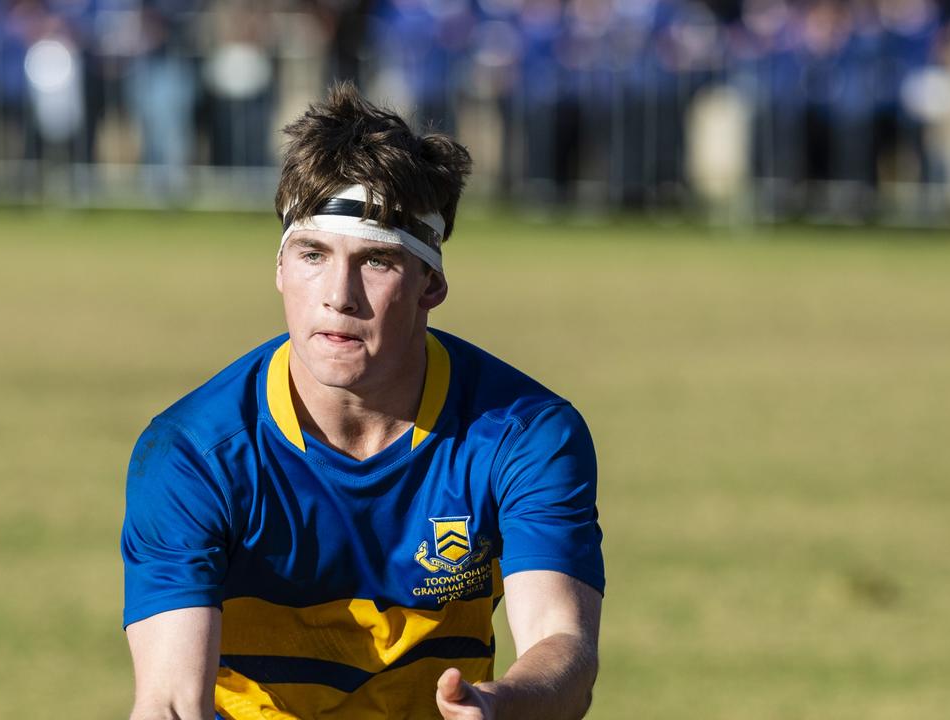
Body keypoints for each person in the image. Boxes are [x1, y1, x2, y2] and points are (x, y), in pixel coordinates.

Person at [121, 82, 604, 720]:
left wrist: (500, 705)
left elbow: (563, 644)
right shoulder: (193, 454)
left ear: (431, 284)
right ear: (280, 269)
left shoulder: (525, 434)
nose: (338, 295)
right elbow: (172, 704)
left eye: (376, 262)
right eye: (313, 254)